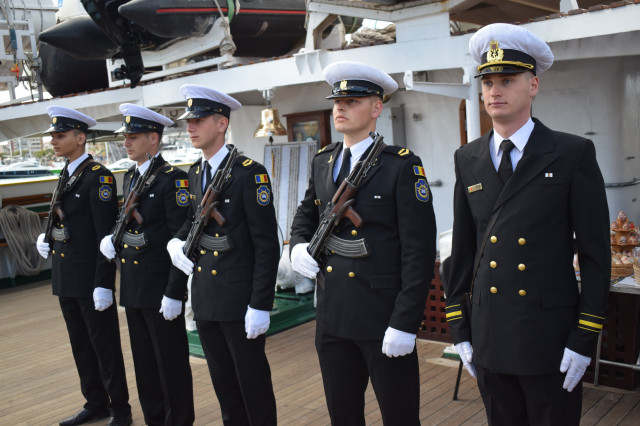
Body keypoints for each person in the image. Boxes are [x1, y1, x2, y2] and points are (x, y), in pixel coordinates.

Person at [445, 23, 610, 425]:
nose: (494, 91)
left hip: (549, 338)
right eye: (488, 82)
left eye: (507, 80)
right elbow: (463, 250)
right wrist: (460, 327)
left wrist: (584, 337)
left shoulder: (571, 154)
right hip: (489, 335)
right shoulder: (468, 158)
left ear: (533, 85)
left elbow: (595, 253)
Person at [289, 61, 437, 425]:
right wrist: (297, 246)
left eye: (352, 101)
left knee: (400, 416)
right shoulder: (324, 161)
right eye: (337, 101)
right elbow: (306, 214)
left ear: (376, 108)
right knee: (343, 415)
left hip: (382, 316)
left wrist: (405, 323)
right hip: (332, 316)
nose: (340, 107)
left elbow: (418, 251)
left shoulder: (400, 166)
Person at [167, 84, 279, 425]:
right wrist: (175, 242)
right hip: (206, 297)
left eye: (198, 120)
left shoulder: (249, 173)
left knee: (253, 386)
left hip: (239, 299)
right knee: (225, 388)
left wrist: (260, 304)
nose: (190, 127)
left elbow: (267, 245)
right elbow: (192, 222)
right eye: (188, 122)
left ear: (221, 124)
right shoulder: (195, 173)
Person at [35, 106, 132, 426]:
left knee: (105, 346)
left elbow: (106, 236)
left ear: (80, 138)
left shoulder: (98, 177)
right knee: (81, 345)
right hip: (66, 277)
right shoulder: (67, 173)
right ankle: (95, 402)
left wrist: (104, 283)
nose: (53, 141)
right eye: (53, 136)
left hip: (90, 279)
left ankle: (120, 408)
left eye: (60, 135)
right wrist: (48, 237)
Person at [99, 104, 195, 426]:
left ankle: (178, 421)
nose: (126, 142)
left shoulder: (173, 180)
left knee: (171, 364)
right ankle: (155, 419)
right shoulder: (131, 177)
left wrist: (175, 292)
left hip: (160, 288)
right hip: (133, 286)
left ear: (153, 138)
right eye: (125, 137)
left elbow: (180, 240)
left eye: (133, 136)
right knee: (144, 364)